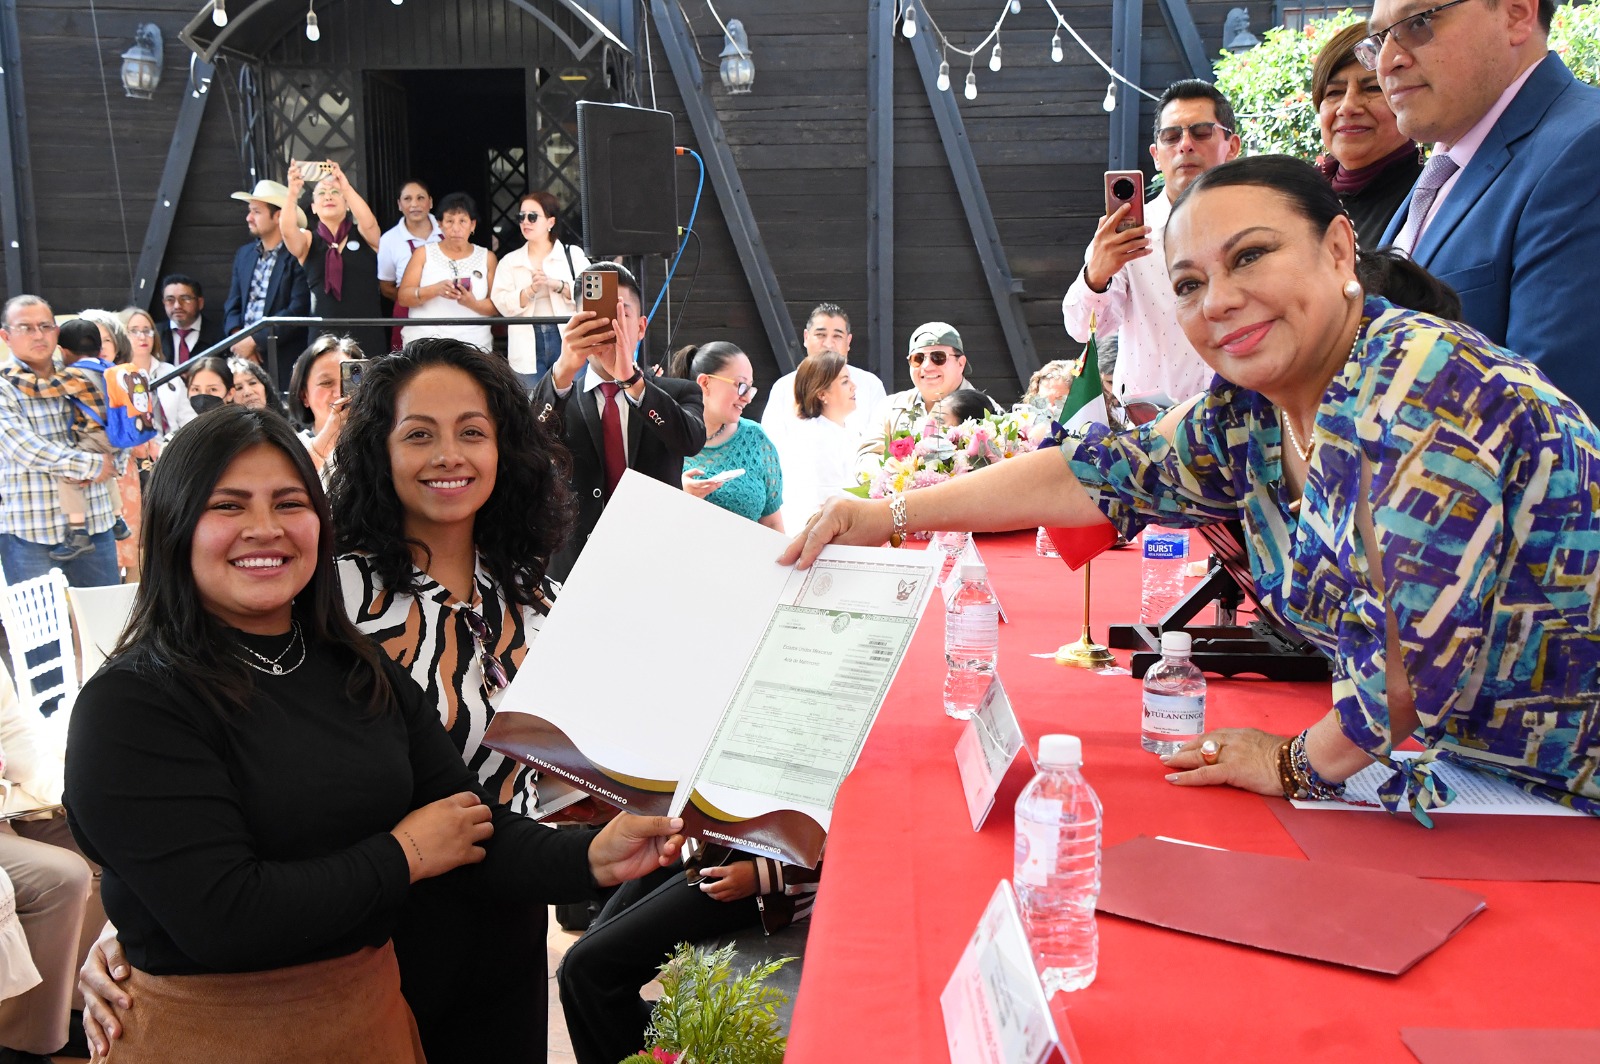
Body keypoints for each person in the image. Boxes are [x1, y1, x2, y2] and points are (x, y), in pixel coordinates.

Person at [785, 154, 1600, 823]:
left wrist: (1291, 762)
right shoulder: (1255, 407)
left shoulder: (1419, 385)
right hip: (1491, 782)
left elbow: (1406, 671)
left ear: (1339, 250)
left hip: (1568, 801)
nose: (1221, 300)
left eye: (1250, 256)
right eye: (1186, 284)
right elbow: (1097, 472)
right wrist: (888, 513)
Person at [62, 404, 686, 1062]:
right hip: (216, 1035)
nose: (265, 529)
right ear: (175, 522)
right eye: (229, 506)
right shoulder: (131, 705)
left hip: (369, 1019)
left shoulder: (355, 665)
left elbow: (469, 825)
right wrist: (405, 854)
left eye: (289, 503)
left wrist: (594, 856)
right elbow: (226, 918)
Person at [327, 337, 577, 1059]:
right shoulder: (335, 598)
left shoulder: (536, 597)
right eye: (419, 435)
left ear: (504, 449)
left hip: (513, 912)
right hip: (378, 923)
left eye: (472, 432)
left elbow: (553, 770)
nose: (448, 456)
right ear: (379, 451)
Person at [1371, 0, 1600, 417]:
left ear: (1516, 14)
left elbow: (1554, 420)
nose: (1387, 62)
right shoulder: (1450, 159)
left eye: (1418, 23)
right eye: (1378, 39)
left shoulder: (1585, 147)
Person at [557, 839, 820, 1064]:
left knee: (586, 970)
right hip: (698, 844)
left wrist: (763, 874)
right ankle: (666, 1047)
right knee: (574, 973)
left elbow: (841, 840)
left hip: (758, 876)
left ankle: (664, 1048)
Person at [1062, 79, 1240, 410]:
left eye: (1201, 132)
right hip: (1152, 425)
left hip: (1247, 415)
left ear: (1232, 146)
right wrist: (1096, 277)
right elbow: (1082, 330)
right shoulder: (1127, 236)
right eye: (1171, 136)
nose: (1185, 145)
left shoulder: (1257, 226)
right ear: (1156, 156)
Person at [533, 262, 707, 580]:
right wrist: (562, 370)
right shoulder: (558, 394)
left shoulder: (679, 392)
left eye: (620, 313)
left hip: (656, 562)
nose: (608, 324)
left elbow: (690, 440)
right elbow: (527, 443)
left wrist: (632, 382)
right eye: (593, 315)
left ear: (640, 327)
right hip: (575, 566)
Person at [0, 662, 101, 1064]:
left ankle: (72, 1006)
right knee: (62, 877)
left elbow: (17, 743)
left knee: (99, 837)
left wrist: (75, 793)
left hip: (8, 801)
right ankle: (24, 1042)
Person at [0, 296, 121, 587]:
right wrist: (94, 465)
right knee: (40, 618)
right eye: (25, 327)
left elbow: (118, 422)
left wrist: (116, 457)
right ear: (6, 336)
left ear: (57, 331)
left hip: (95, 522)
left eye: (45, 326)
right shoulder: (4, 385)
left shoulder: (83, 373)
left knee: (104, 614)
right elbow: (24, 448)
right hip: (30, 530)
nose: (38, 335)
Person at [1311, 22, 1422, 250]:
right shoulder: (1301, 195)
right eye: (1334, 92)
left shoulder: (1426, 200)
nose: (1347, 107)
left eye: (1373, 88)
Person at [282, 160, 387, 360]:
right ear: (313, 207)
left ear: (347, 204)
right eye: (321, 193)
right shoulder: (309, 239)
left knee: (365, 380)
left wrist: (345, 187)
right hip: (324, 335)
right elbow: (287, 232)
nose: (328, 196)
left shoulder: (363, 235)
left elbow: (369, 222)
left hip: (366, 332)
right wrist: (292, 193)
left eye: (334, 192)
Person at [675, 341, 784, 532]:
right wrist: (678, 495)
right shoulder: (665, 437)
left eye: (750, 388)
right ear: (705, 383)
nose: (747, 398)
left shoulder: (756, 439)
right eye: (741, 386)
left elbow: (773, 523)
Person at [490, 191, 590, 388]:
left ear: (550, 222)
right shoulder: (510, 261)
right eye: (521, 217)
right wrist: (529, 291)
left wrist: (558, 285)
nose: (525, 222)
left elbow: (591, 294)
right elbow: (500, 302)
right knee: (531, 401)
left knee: (573, 399)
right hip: (526, 339)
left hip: (566, 332)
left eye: (533, 217)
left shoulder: (573, 255)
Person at [222, 181, 313, 389]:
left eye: (256, 211)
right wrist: (240, 341)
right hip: (242, 360)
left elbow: (298, 308)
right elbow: (232, 305)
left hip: (283, 358)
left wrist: (255, 341)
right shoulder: (244, 254)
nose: (249, 217)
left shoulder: (298, 255)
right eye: (250, 211)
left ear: (278, 216)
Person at [862, 321, 1003, 456]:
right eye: (918, 358)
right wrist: (898, 470)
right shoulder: (889, 408)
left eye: (938, 357)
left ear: (961, 363)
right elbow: (867, 457)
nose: (927, 366)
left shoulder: (989, 412)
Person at [760, 303, 887, 443]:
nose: (828, 344)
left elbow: (881, 441)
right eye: (820, 335)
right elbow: (770, 444)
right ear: (806, 337)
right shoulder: (784, 387)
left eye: (837, 336)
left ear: (848, 341)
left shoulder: (870, 384)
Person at [397, 192, 498, 352]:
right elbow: (404, 297)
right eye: (449, 221)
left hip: (474, 345)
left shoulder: (487, 258)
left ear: (472, 225)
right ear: (440, 224)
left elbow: (497, 305)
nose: (456, 228)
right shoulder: (423, 253)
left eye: (462, 221)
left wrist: (471, 302)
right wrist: (435, 290)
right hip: (426, 344)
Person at [773, 350, 859, 530]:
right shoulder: (816, 437)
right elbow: (828, 504)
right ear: (822, 394)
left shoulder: (848, 430)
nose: (854, 386)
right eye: (845, 381)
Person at [377, 180, 442, 353]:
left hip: (447, 310)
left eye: (420, 198)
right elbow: (386, 287)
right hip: (407, 314)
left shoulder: (447, 230)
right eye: (407, 199)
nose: (414, 204)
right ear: (399, 204)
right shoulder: (389, 240)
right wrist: (413, 299)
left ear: (430, 202)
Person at [286, 334, 361, 474]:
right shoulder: (292, 447)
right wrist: (327, 439)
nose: (339, 393)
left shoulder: (380, 440)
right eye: (326, 383)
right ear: (304, 396)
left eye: (348, 382)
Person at [119, 305, 195, 440]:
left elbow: (187, 417)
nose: (142, 337)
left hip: (173, 444)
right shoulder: (117, 375)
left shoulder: (169, 371)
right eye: (134, 331)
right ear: (121, 335)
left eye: (147, 330)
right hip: (136, 447)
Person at [159, 274, 224, 365]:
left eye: (185, 299)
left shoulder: (220, 335)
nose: (177, 306)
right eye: (170, 300)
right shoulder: (154, 335)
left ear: (200, 303)